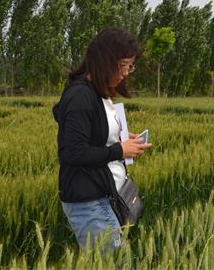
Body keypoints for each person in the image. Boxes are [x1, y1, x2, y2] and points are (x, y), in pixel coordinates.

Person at [53, 28, 152, 251]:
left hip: (106, 197)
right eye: (124, 65)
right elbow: (73, 153)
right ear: (105, 61)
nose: (127, 72)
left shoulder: (100, 93)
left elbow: (96, 137)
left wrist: (123, 139)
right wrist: (119, 150)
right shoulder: (80, 96)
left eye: (130, 66)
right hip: (90, 203)